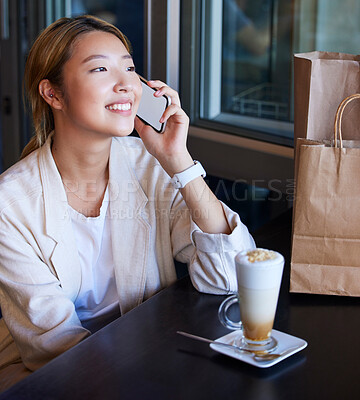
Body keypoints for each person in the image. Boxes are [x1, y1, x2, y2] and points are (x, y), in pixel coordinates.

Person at [0, 15, 255, 390]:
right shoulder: (10, 203)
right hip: (44, 377)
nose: (125, 84)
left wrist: (179, 162)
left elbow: (229, 277)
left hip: (146, 356)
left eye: (130, 68)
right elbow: (52, 345)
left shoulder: (150, 165)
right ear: (53, 94)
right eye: (100, 68)